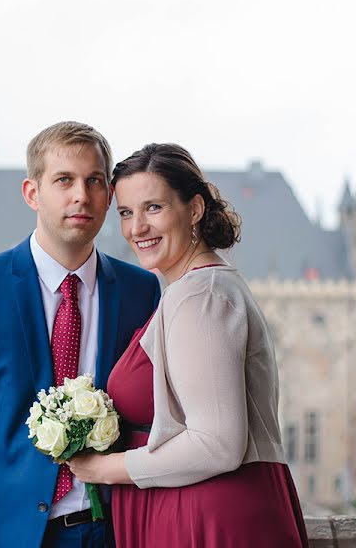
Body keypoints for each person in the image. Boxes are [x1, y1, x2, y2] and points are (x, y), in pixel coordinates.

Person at [0, 122, 161, 547]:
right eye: (63, 180)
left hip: (114, 531)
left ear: (108, 196)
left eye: (94, 181)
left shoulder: (140, 290)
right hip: (11, 534)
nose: (80, 195)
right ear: (32, 193)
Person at [68, 143, 309, 547]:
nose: (136, 228)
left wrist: (103, 469)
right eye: (126, 212)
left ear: (194, 209)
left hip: (209, 512)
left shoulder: (201, 296)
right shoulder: (194, 289)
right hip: (197, 503)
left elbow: (217, 445)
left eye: (154, 208)